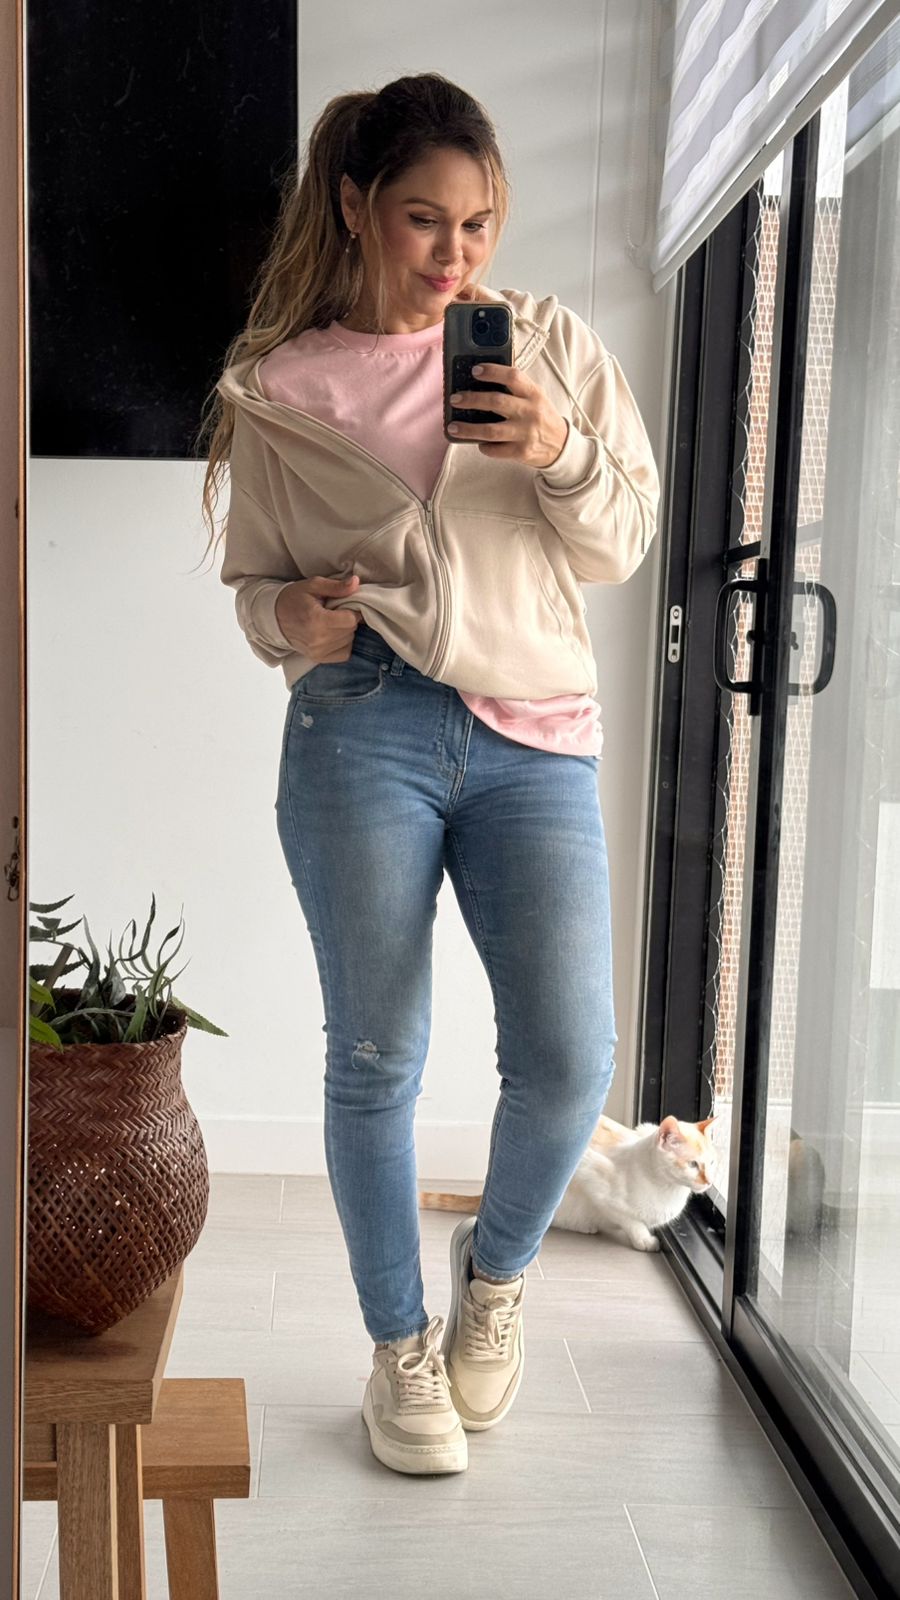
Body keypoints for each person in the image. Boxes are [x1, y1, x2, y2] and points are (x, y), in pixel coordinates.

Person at [197, 71, 659, 1478]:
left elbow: (622, 540)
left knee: (570, 1057)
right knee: (376, 1054)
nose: (455, 254)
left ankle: (495, 1281)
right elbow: (256, 585)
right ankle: (398, 1348)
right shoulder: (279, 390)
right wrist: (289, 619)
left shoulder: (549, 347)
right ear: (355, 207)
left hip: (535, 733)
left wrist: (557, 447)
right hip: (363, 724)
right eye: (422, 220)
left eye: (478, 223)